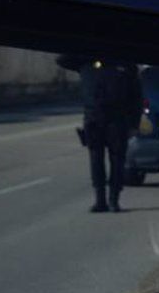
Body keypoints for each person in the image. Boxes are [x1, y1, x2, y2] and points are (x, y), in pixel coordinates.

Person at [61, 56, 142, 212]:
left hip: (118, 121)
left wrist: (134, 124)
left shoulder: (126, 65)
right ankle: (100, 200)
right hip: (94, 119)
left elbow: (136, 97)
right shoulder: (86, 63)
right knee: (96, 160)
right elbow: (62, 60)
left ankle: (114, 200)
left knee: (117, 161)